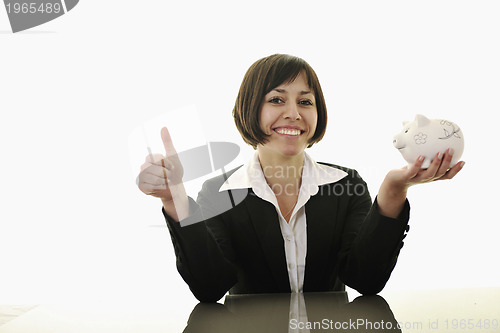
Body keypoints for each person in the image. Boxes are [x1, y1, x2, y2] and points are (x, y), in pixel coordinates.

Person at [137, 54, 464, 302]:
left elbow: (365, 281)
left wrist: (395, 190)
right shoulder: (219, 192)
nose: (294, 112)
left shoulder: (345, 185)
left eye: (305, 101)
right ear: (251, 109)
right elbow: (210, 288)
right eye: (277, 99)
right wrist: (175, 199)